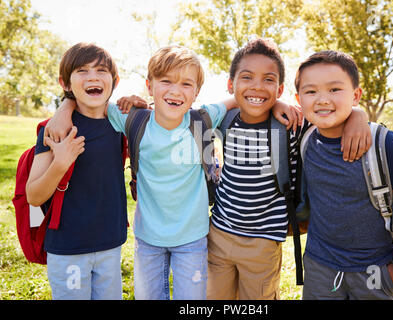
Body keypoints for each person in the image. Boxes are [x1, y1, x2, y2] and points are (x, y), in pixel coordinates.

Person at [44, 45, 299, 300]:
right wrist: (64, 108)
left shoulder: (203, 119)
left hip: (193, 239)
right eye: (165, 81)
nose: (175, 91)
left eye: (186, 84)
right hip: (148, 239)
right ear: (149, 85)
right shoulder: (134, 119)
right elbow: (90, 100)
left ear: (196, 92)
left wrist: (278, 103)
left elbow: (242, 99)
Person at [207, 39, 372, 300]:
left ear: (280, 88)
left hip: (262, 244)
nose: (257, 86)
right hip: (217, 235)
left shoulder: (291, 124)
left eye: (268, 80)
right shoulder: (223, 120)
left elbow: (328, 113)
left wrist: (358, 114)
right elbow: (182, 117)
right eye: (247, 77)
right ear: (231, 85)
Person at [294, 50, 393, 300]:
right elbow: (265, 104)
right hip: (320, 267)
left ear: (356, 95)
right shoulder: (304, 138)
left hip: (375, 270)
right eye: (311, 92)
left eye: (335, 89)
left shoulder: (384, 144)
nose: (322, 99)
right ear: (298, 99)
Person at [25, 43, 128, 300]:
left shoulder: (120, 124)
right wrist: (60, 163)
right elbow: (33, 196)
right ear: (66, 83)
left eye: (101, 70)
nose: (93, 76)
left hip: (110, 244)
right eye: (82, 70)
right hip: (67, 247)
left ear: (114, 81)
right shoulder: (56, 130)